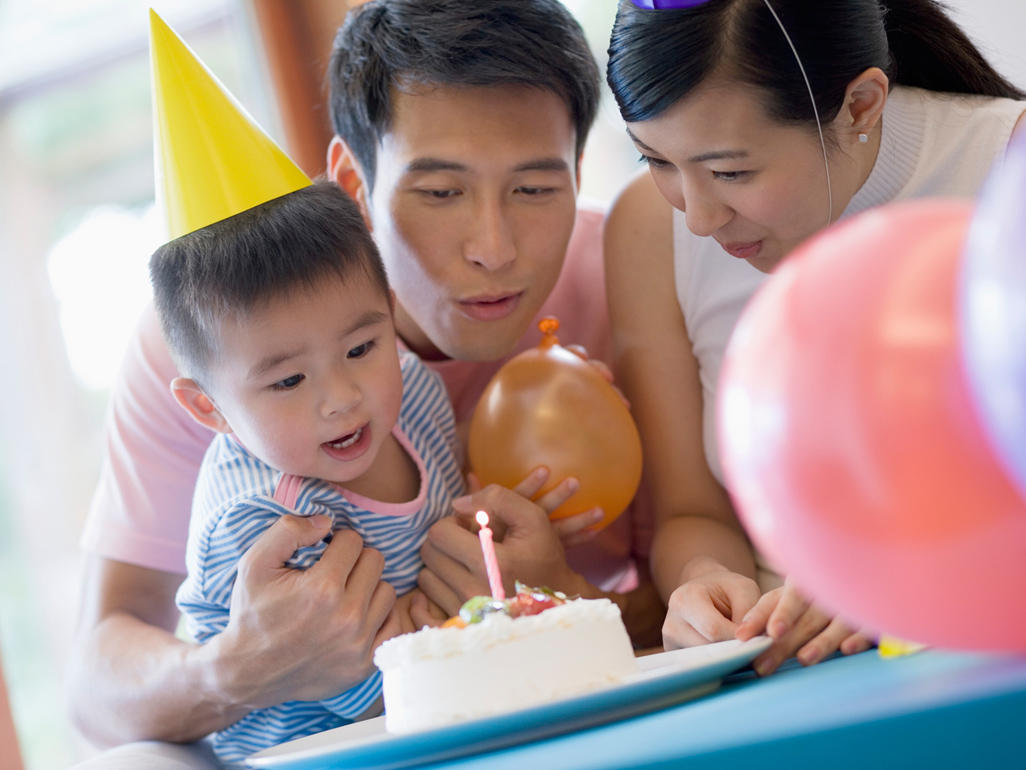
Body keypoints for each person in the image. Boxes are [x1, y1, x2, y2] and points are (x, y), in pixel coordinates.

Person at [69, 0, 664, 754]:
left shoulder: (626, 276)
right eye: (441, 191)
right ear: (354, 181)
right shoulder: (223, 341)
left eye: (535, 189)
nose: (493, 247)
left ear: (578, 172)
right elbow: (94, 690)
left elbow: (714, 589)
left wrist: (558, 601)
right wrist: (240, 667)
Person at [603, 0, 1026, 676]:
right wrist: (702, 581)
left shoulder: (1009, 171)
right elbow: (690, 510)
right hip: (784, 677)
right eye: (655, 159)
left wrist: (904, 579)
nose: (701, 216)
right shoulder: (648, 229)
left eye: (731, 172)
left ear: (860, 104)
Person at [149, 181, 465, 764]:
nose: (341, 399)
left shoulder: (413, 388)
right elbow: (389, 689)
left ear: (390, 317)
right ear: (208, 407)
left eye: (361, 349)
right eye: (289, 381)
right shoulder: (261, 522)